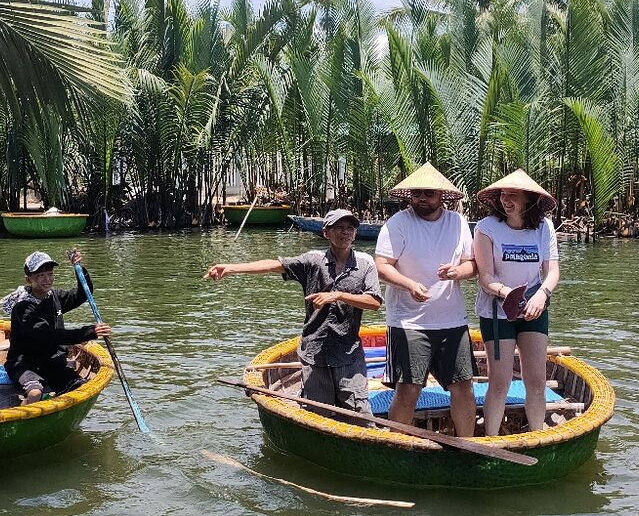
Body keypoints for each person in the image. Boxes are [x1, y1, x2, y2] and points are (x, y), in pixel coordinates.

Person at [203, 208, 382, 417]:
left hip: (348, 352)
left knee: (359, 412)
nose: (345, 233)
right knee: (318, 413)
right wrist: (231, 268)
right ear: (326, 233)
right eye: (339, 228)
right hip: (315, 350)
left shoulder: (365, 263)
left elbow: (374, 302)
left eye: (350, 228)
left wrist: (338, 296)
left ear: (355, 233)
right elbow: (274, 266)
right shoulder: (313, 260)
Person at [374, 163, 478, 436]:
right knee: (408, 387)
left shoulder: (457, 222)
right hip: (408, 321)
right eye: (417, 193)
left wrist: (458, 271)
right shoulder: (398, 223)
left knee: (463, 385)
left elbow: (472, 265)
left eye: (428, 193)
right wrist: (409, 284)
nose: (422, 198)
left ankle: (467, 444)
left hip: (452, 320)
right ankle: (398, 444)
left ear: (442, 196)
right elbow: (382, 266)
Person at [472, 169, 560, 435]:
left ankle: (537, 435)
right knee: (500, 381)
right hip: (498, 311)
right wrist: (506, 292)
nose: (505, 200)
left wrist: (542, 295)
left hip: (534, 307)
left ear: (528, 200)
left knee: (536, 380)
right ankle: (491, 439)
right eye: (502, 194)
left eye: (513, 195)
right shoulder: (486, 228)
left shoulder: (544, 227)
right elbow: (485, 276)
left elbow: (552, 272)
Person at [4, 250, 111, 403]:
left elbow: (82, 295)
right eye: (40, 275)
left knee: (82, 389)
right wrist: (89, 332)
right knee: (35, 393)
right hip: (26, 364)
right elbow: (51, 335)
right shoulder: (23, 308)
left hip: (52, 364)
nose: (47, 279)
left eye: (50, 274)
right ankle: (21, 417)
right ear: (29, 280)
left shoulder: (54, 296)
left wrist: (79, 268)